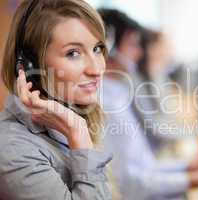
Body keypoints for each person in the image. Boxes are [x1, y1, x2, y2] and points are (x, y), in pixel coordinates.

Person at [0, 0, 115, 199]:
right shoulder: (12, 149)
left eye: (97, 48)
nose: (97, 69)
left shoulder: (79, 115)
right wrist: (77, 134)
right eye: (73, 53)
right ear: (30, 67)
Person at [99, 9, 198, 200]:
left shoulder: (117, 93)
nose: (138, 53)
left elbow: (145, 165)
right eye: (133, 45)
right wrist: (194, 178)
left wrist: (189, 168)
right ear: (110, 48)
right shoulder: (106, 101)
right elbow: (130, 184)